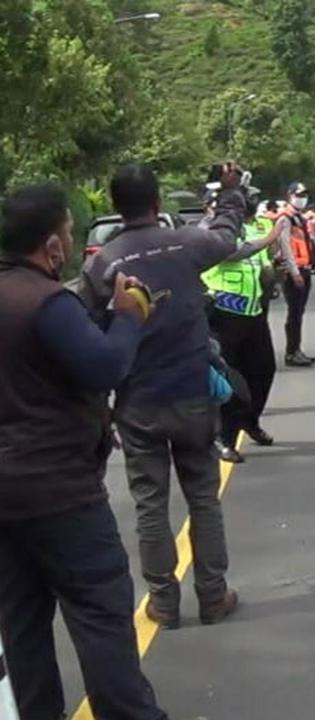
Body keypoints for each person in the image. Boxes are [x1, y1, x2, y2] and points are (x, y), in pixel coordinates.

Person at [0, 185, 169, 719]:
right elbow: (104, 367)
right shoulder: (46, 301)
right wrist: (127, 316)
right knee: (99, 611)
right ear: (51, 246)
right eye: (71, 235)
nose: (71, 245)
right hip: (60, 492)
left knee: (22, 624)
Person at [79, 163, 243, 629]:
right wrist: (230, 194)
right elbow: (227, 236)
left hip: (137, 401)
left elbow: (87, 327)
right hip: (192, 393)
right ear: (157, 203)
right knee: (203, 497)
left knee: (150, 502)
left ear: (115, 206)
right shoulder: (188, 244)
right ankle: (213, 596)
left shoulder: (101, 263)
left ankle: (163, 603)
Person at [203, 191, 304, 464]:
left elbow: (263, 264)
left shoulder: (251, 229)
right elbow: (233, 254)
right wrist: (269, 239)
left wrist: (275, 272)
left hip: (253, 312)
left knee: (264, 370)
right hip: (222, 313)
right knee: (230, 380)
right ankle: (224, 438)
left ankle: (250, 420)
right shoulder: (207, 232)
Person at [276, 182, 315, 367]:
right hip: (294, 272)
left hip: (304, 268)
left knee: (298, 313)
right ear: (289, 196)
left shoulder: (299, 218)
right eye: (298, 195)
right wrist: (294, 272)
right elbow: (285, 246)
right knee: (294, 314)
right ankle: (292, 352)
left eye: (304, 195)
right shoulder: (285, 218)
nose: (302, 199)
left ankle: (296, 350)